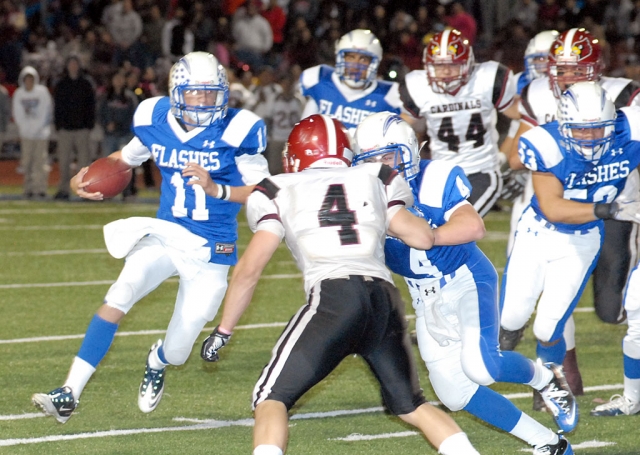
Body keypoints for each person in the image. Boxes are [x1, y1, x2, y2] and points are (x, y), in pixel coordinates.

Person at [196, 114, 482, 455]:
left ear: (294, 156)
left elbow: (249, 269)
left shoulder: (274, 188)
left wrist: (224, 329)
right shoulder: (377, 176)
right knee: (411, 406)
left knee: (271, 397)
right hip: (383, 300)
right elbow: (420, 237)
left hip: (333, 297)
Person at [31, 51, 269, 423]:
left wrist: (217, 189)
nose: (205, 101)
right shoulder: (153, 117)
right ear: (177, 93)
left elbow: (261, 190)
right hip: (167, 231)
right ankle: (69, 393)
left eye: (211, 93)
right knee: (122, 290)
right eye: (196, 93)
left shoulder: (239, 129)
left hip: (212, 247)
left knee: (178, 349)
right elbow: (126, 160)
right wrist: (89, 176)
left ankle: (157, 360)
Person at [352, 112, 575, 455]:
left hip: (466, 278)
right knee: (455, 393)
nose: (383, 168)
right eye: (371, 160)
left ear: (410, 151)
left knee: (482, 367)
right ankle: (548, 443)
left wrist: (426, 235)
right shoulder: (360, 194)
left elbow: (473, 227)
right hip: (423, 296)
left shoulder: (434, 177)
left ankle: (546, 378)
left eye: (389, 156)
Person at [500, 28, 640, 402]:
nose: (566, 77)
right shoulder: (543, 125)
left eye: (577, 69)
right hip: (554, 215)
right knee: (526, 313)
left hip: (610, 214)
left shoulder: (629, 105)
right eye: (560, 70)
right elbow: (519, 161)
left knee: (612, 311)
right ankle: (560, 375)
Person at [400, 29, 520, 217]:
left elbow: (521, 115)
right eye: (439, 65)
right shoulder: (418, 86)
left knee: (459, 226)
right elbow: (401, 126)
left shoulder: (487, 79)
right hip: (439, 173)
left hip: (480, 172)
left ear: (468, 64)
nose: (446, 71)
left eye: (453, 65)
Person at [502, 30, 559, 254]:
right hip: (530, 161)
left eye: (548, 59)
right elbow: (515, 135)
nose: (543, 66)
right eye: (538, 59)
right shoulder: (523, 86)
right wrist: (503, 169)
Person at [298, 29, 403, 135]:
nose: (356, 65)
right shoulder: (320, 80)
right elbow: (303, 132)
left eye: (363, 59)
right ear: (341, 58)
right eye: (350, 57)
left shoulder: (388, 96)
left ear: (373, 64)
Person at [53, 55, 96, 200]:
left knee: (84, 164)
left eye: (75, 63)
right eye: (70, 63)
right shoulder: (61, 84)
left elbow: (91, 106)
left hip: (82, 129)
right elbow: (57, 107)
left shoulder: (86, 84)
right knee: (64, 162)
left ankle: (84, 191)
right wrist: (58, 125)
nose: (73, 66)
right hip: (65, 129)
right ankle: (64, 190)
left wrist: (89, 124)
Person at [12, 65, 53, 200]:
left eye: (31, 79)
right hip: (26, 134)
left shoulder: (42, 92)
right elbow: (17, 114)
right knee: (27, 162)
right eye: (26, 79)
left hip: (41, 134)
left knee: (40, 162)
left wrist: (37, 128)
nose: (28, 81)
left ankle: (40, 188)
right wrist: (26, 129)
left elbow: (46, 111)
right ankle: (28, 189)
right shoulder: (19, 94)